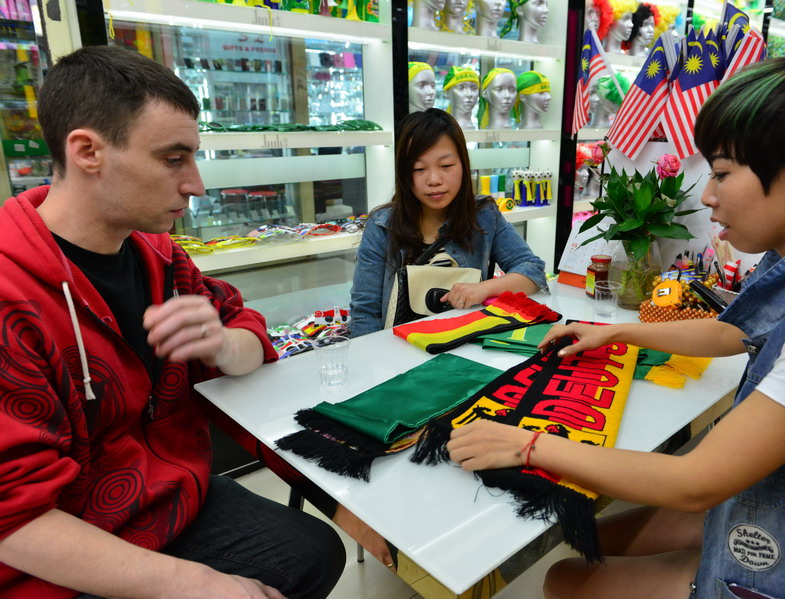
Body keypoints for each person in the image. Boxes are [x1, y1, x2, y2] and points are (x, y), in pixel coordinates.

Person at [445, 56, 785, 599]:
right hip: (784, 510)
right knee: (586, 537)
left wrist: (525, 445)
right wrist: (616, 334)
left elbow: (695, 482)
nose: (707, 196)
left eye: (724, 173)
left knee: (565, 577)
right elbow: (733, 332)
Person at [0, 46, 346, 599]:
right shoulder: (10, 294)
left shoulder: (159, 256)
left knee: (316, 551)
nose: (197, 184)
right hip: (59, 546)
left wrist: (228, 346)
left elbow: (243, 324)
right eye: (173, 158)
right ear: (88, 151)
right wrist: (195, 583)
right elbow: (13, 520)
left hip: (165, 496)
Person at [350, 108, 548, 337]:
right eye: (419, 169)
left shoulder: (483, 215)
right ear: (404, 174)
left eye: (446, 166)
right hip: (397, 352)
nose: (434, 180)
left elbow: (533, 271)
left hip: (465, 348)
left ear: (463, 164)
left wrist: (483, 289)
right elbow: (365, 313)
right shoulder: (382, 226)